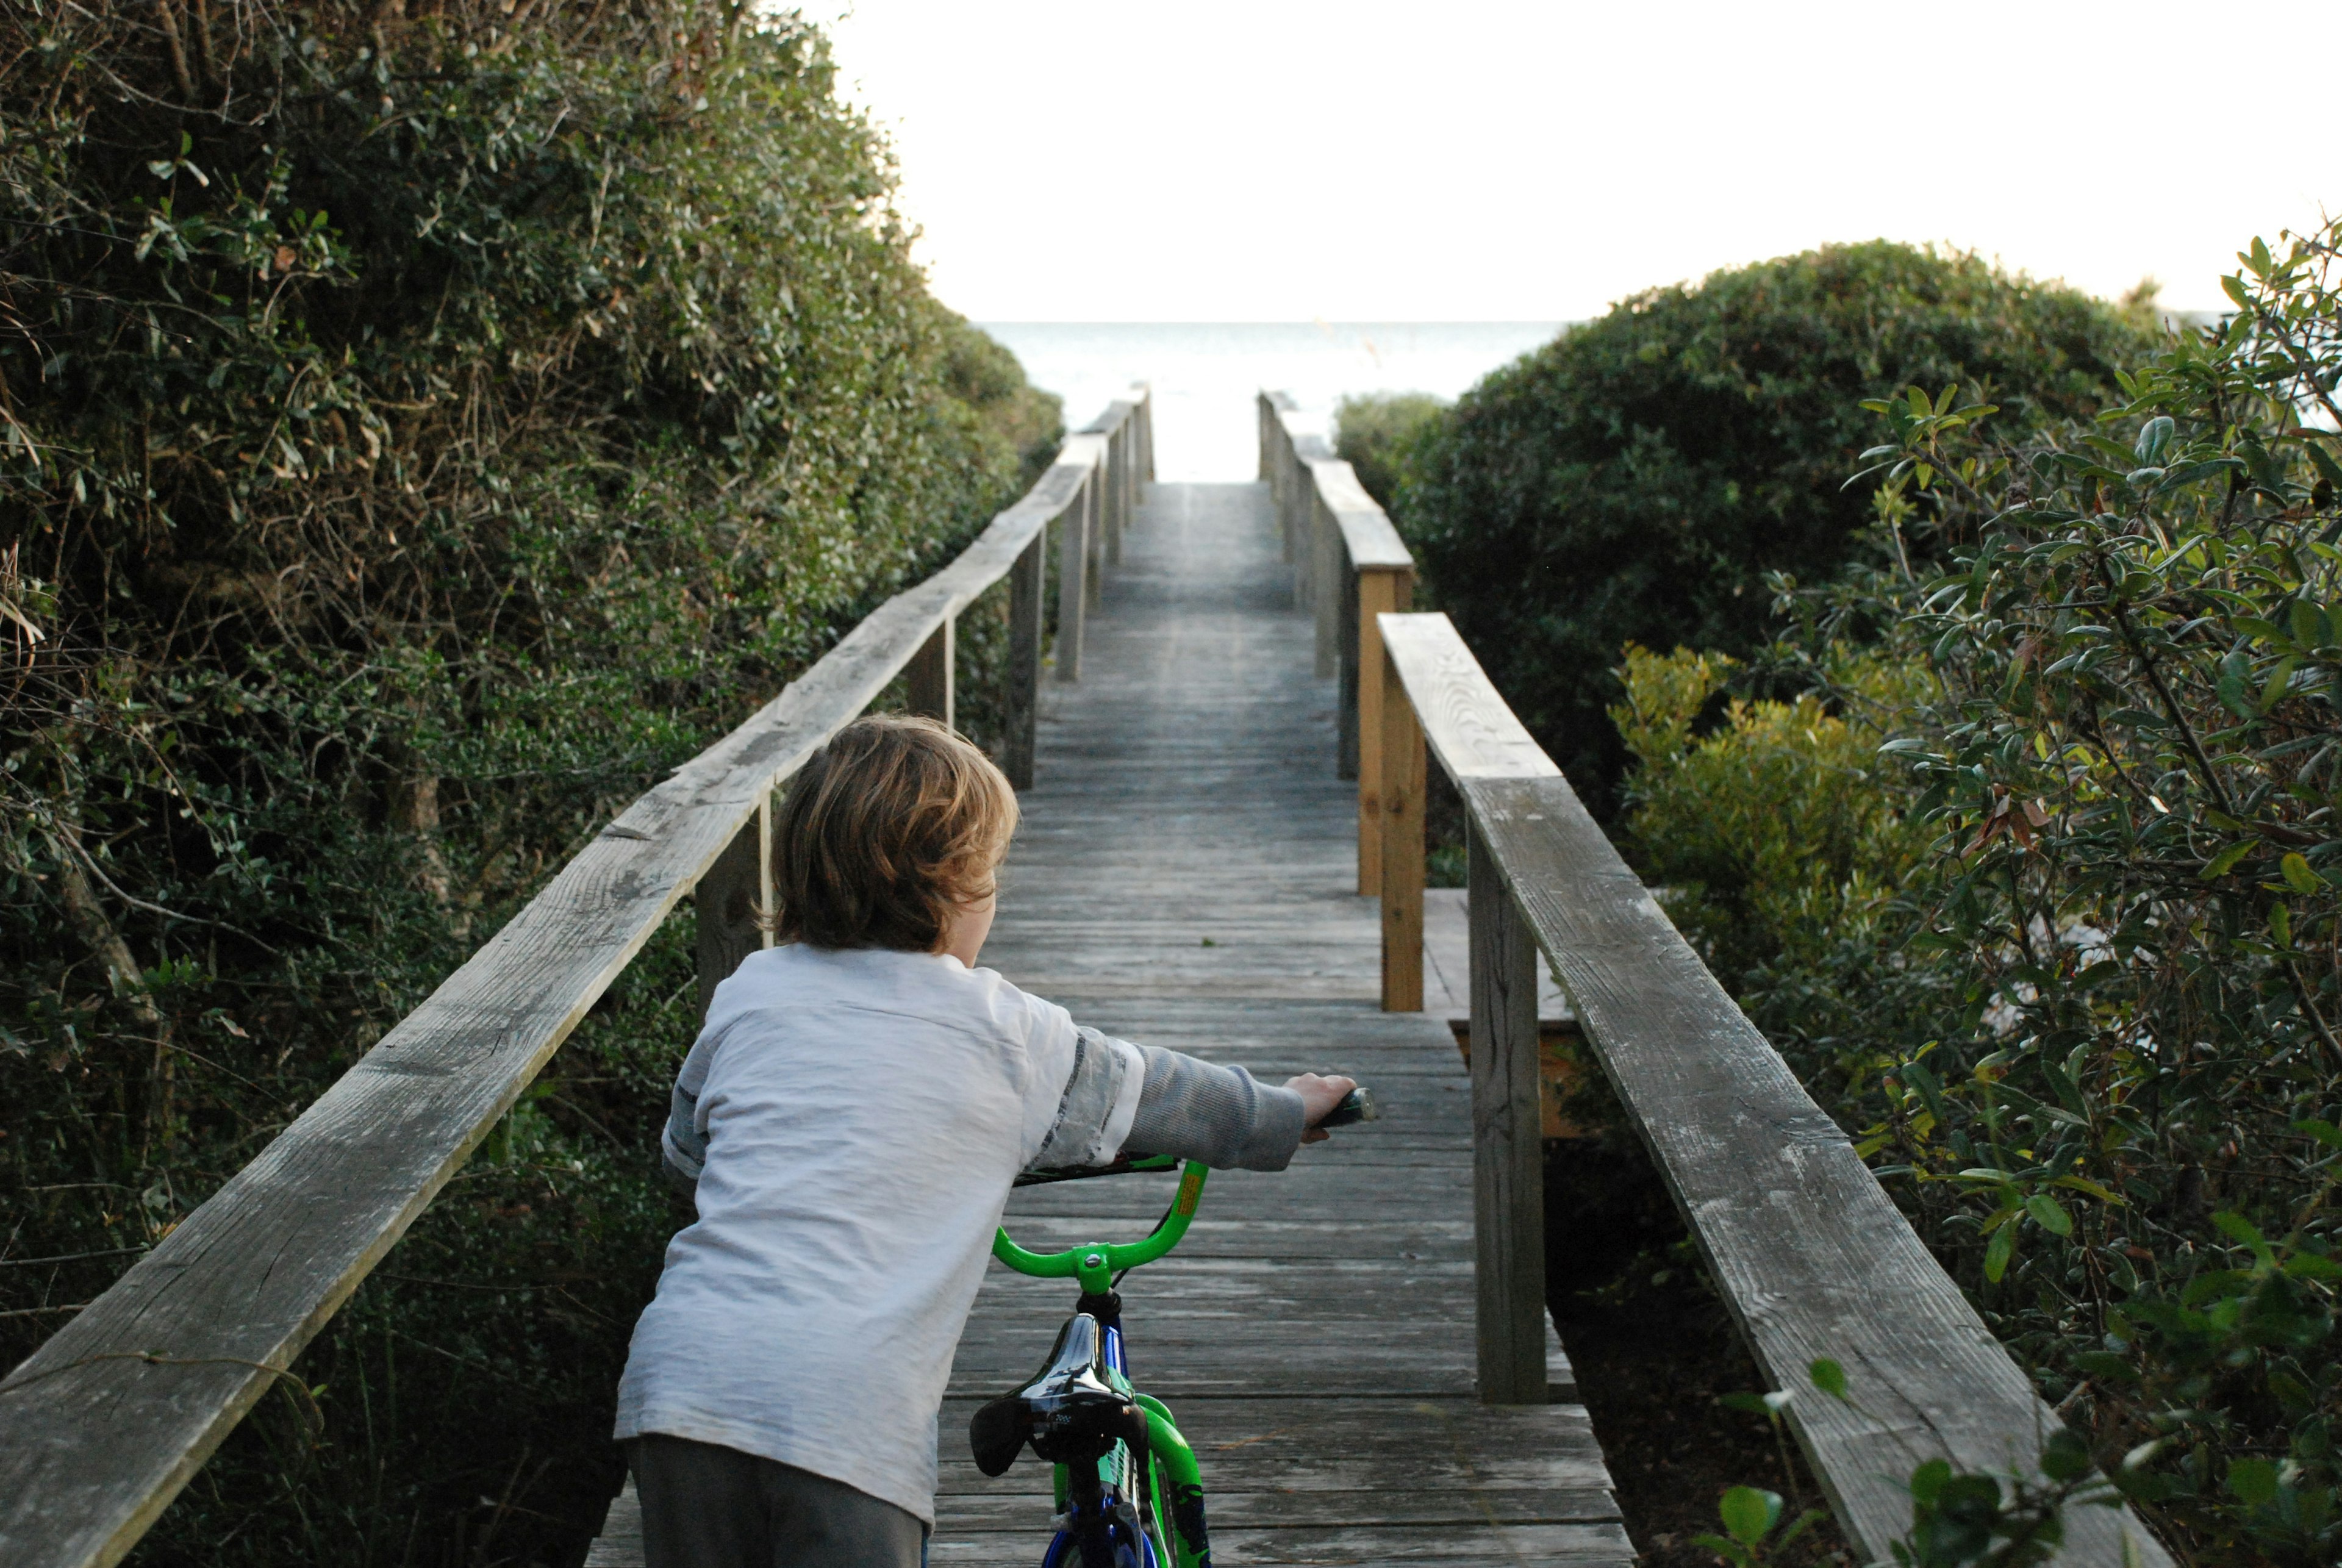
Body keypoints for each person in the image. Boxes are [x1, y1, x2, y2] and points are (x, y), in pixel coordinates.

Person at [613, 714, 1356, 1568]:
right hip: (842, 1406)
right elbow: (1160, 1093)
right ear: (954, 890)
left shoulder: (754, 992)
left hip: (680, 1380)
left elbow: (687, 1154)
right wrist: (1282, 1113)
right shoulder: (1008, 1032)